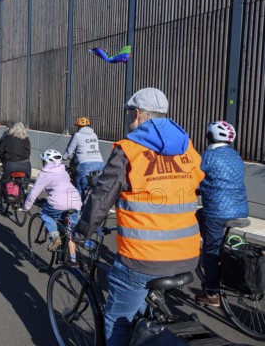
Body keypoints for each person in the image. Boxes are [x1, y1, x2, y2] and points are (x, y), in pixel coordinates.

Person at [73, 87, 205, 345]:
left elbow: (102, 198)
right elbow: (199, 186)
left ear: (136, 114)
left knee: (117, 316)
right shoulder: (188, 148)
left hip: (143, 258)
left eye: (129, 114)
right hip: (188, 255)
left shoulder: (129, 149)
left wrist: (80, 233)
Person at [195, 121, 248, 307]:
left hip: (217, 211)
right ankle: (216, 262)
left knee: (211, 250)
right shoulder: (236, 156)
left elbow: (194, 180)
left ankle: (211, 293)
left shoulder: (206, 157)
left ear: (208, 137)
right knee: (201, 215)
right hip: (240, 210)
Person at [23, 149, 82, 253]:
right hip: (75, 200)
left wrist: (26, 207)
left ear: (45, 162)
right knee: (70, 229)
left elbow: (34, 193)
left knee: (45, 214)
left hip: (58, 201)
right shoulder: (63, 171)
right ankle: (73, 260)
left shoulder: (45, 173)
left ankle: (55, 237)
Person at [63, 117, 105, 200]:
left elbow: (70, 150)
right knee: (95, 188)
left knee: (80, 188)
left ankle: (78, 211)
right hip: (100, 164)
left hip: (85, 165)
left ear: (78, 126)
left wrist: (64, 157)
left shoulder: (77, 135)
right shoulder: (94, 135)